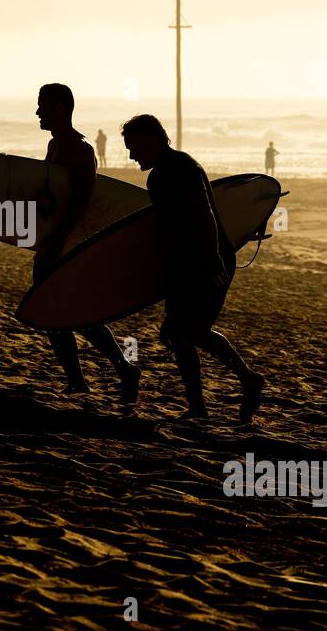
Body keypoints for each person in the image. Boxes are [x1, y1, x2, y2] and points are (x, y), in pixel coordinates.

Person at [122, 114, 264, 422]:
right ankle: (243, 382)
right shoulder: (164, 171)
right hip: (188, 262)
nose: (132, 156)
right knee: (187, 333)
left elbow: (204, 212)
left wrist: (213, 256)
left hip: (204, 260)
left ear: (155, 139)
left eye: (135, 148)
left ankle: (202, 405)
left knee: (181, 333)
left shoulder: (178, 168)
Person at [34, 83, 140, 403]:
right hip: (52, 241)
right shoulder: (56, 144)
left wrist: (58, 241)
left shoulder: (78, 149)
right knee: (53, 311)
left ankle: (121, 369)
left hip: (67, 244)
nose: (37, 112)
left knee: (68, 312)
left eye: (43, 105)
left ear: (61, 109)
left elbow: (80, 203)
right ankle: (82, 379)